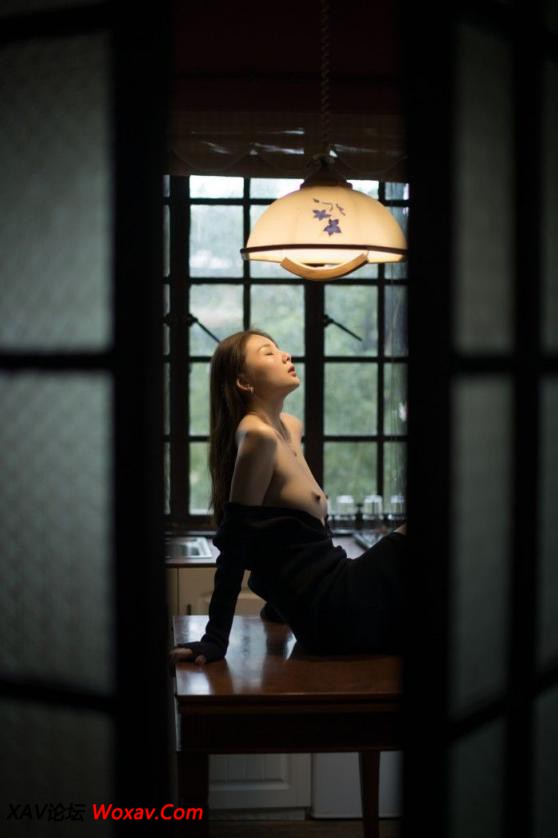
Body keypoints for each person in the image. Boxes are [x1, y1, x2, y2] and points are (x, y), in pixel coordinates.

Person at [168, 328, 407, 669]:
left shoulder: (290, 427)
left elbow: (283, 533)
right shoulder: (258, 436)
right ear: (244, 382)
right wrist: (215, 638)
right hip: (331, 610)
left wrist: (277, 603)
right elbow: (236, 544)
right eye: (268, 352)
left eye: (279, 348)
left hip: (338, 585)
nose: (285, 355)